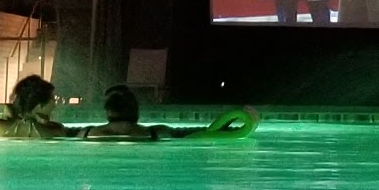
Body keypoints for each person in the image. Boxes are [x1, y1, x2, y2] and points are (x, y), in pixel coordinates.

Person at [82, 84, 262, 141]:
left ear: (107, 110)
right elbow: (205, 133)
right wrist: (245, 123)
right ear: (136, 109)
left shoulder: (85, 134)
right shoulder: (157, 133)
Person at [0, 74, 77, 138]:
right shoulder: (54, 131)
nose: (54, 105)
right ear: (39, 106)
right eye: (53, 100)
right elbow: (58, 134)